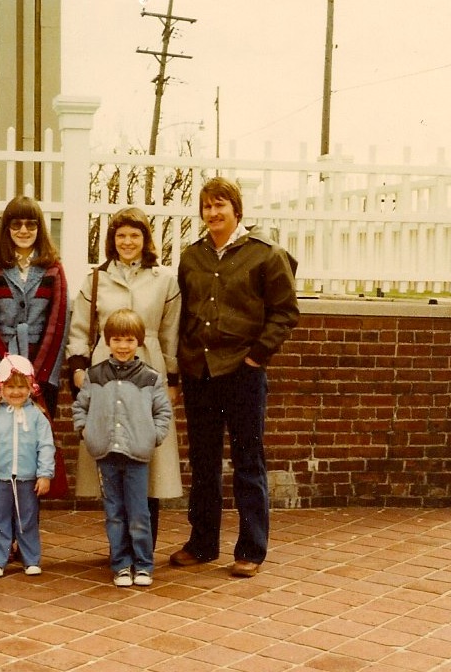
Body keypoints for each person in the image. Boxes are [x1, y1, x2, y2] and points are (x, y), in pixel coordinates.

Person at [171, 176, 299, 578]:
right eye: (207, 207)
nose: (213, 213)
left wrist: (257, 357)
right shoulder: (192, 257)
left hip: (243, 374)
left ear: (236, 210)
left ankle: (251, 548)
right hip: (200, 373)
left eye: (220, 206)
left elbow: (285, 313)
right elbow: (183, 312)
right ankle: (203, 542)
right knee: (203, 462)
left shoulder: (266, 255)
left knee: (248, 461)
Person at [66, 206, 182, 548]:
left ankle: (144, 545)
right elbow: (80, 329)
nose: (127, 242)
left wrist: (172, 379)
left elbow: (170, 333)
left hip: (148, 374)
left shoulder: (164, 281)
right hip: (106, 373)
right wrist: (78, 367)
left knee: (148, 455)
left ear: (146, 240)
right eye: (121, 236)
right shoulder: (97, 279)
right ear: (111, 241)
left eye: (135, 235)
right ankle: (120, 547)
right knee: (113, 455)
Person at [0, 195, 69, 548]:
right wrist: (5, 370)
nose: (24, 230)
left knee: (31, 460)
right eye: (16, 224)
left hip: (40, 379)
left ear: (40, 228)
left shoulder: (53, 270)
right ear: (7, 229)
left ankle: (24, 540)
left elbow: (58, 323)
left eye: (30, 224)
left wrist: (35, 377)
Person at [71, 309, 172, 587]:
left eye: (129, 340)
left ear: (138, 342)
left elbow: (163, 412)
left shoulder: (150, 377)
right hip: (105, 454)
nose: (123, 346)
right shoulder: (95, 375)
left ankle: (143, 564)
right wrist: (85, 431)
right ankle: (121, 564)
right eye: (117, 340)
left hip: (137, 454)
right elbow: (80, 407)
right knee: (114, 513)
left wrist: (153, 436)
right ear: (107, 342)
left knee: (139, 512)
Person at [0, 354, 56, 578]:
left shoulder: (38, 416)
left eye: (22, 386)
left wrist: (44, 474)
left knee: (26, 519)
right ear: (1, 387)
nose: (16, 392)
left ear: (31, 387)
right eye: (10, 387)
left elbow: (46, 446)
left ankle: (31, 559)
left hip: (28, 479)